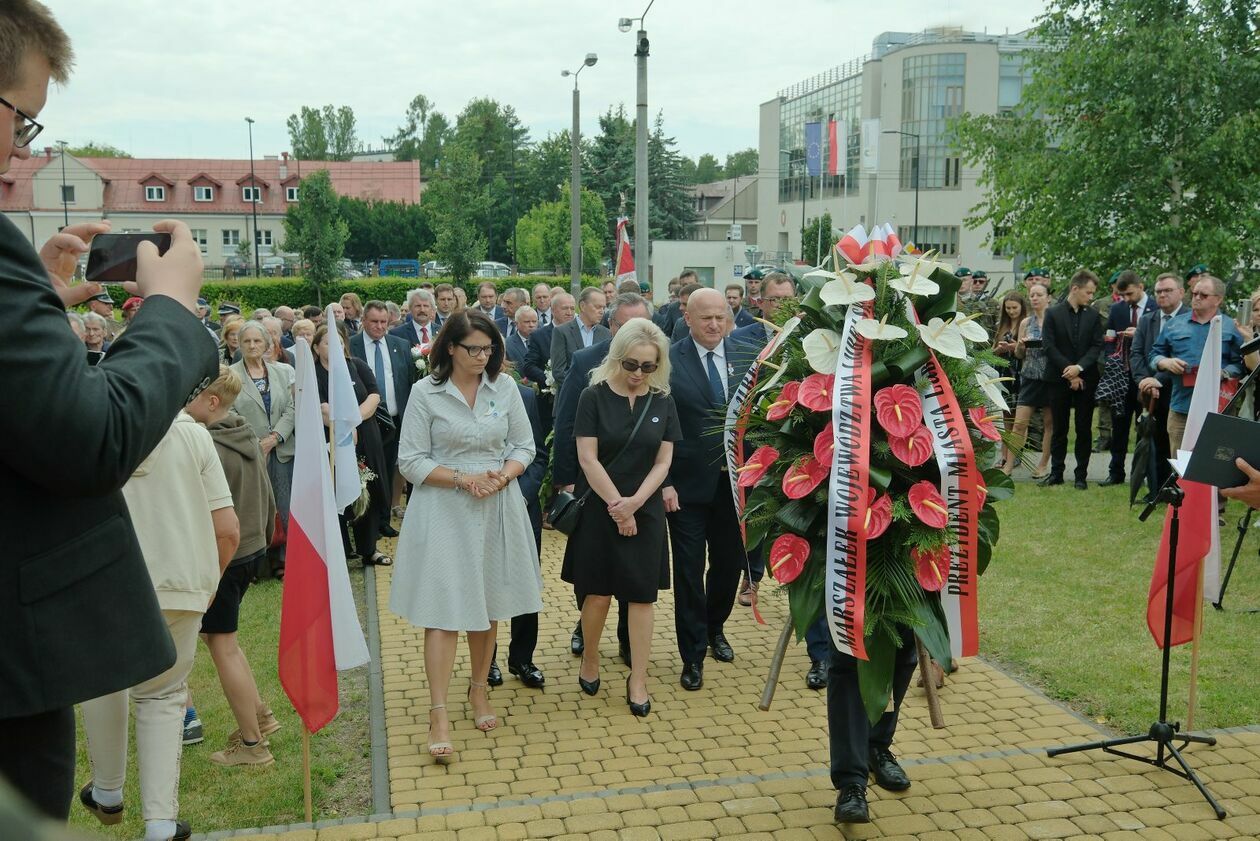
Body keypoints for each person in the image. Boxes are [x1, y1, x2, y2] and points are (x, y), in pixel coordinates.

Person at [0, 5, 221, 819]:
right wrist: (169, 313)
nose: (21, 150)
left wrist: (35, 296)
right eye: (22, 120)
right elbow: (92, 439)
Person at [79, 406, 239, 841]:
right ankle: (161, 824)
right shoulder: (194, 433)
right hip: (180, 584)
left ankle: (109, 789)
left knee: (105, 682)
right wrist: (207, 583)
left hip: (107, 581)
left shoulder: (92, 424)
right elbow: (227, 529)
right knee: (164, 697)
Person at [389, 311, 543, 761]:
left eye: (488, 349)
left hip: (498, 503)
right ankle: (438, 713)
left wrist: (503, 476)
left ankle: (479, 692)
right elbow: (411, 461)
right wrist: (461, 480)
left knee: (489, 602)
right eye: (472, 349)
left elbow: (524, 446)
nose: (481, 357)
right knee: (443, 613)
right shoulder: (425, 393)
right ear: (450, 348)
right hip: (444, 510)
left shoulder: (506, 389)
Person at [564, 318, 679, 716]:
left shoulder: (663, 399)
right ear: (617, 358)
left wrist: (635, 504)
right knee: (598, 592)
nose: (638, 374)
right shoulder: (592, 397)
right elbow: (587, 458)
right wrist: (618, 506)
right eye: (631, 365)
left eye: (648, 367)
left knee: (642, 596)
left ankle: (639, 678)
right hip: (601, 507)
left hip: (644, 510)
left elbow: (664, 461)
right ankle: (591, 657)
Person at [184, 366, 281, 768]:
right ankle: (261, 714)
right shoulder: (243, 432)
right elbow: (268, 496)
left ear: (212, 401)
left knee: (222, 645)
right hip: (250, 548)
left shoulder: (205, 444)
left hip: (225, 554)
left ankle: (252, 745)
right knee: (222, 641)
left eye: (189, 397)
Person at [552, 294, 651, 659]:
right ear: (611, 328)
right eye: (626, 326)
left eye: (642, 327)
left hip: (640, 487)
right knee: (591, 568)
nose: (635, 334)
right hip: (592, 483)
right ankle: (585, 626)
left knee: (633, 569)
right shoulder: (585, 362)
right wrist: (563, 479)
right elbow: (565, 422)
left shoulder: (654, 366)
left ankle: (629, 638)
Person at [666, 288, 756, 690]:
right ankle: (693, 654)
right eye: (707, 318)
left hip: (734, 485)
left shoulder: (744, 356)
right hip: (685, 488)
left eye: (722, 316)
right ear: (688, 317)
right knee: (688, 571)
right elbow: (658, 424)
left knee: (729, 564)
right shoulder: (669, 360)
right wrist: (663, 481)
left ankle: (715, 626)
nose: (716, 325)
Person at [313, 323, 392, 567]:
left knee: (366, 489)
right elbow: (322, 407)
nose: (334, 346)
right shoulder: (314, 373)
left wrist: (355, 417)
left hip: (366, 436)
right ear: (316, 347)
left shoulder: (356, 365)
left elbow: (374, 394)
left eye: (338, 342)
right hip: (332, 441)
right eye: (328, 342)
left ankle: (369, 549)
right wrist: (345, 426)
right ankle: (341, 551)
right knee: (337, 494)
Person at [488, 383, 550, 690]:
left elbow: (538, 453)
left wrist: (522, 496)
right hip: (481, 503)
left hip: (522, 503)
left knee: (525, 581)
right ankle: (486, 659)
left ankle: (523, 658)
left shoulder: (524, 395)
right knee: (486, 582)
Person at [829, 624, 916, 824]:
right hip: (847, 594)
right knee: (848, 657)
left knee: (902, 652)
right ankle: (850, 782)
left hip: (909, 594)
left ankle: (876, 745)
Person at [1149, 274, 1247, 453]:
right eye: (1194, 294)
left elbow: (1241, 364)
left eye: (1203, 295)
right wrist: (1165, 362)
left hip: (1219, 409)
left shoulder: (1231, 326)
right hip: (1182, 408)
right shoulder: (1174, 324)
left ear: (1218, 299)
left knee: (1215, 467)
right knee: (1181, 467)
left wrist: (1223, 373)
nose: (1196, 298)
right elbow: (1154, 354)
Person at [229, 321, 295, 579]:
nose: (252, 345)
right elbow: (229, 411)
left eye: (257, 341)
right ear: (240, 345)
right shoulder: (231, 374)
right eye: (247, 341)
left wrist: (275, 437)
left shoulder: (281, 372)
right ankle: (255, 564)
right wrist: (257, 442)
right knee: (253, 507)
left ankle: (282, 561)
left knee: (283, 504)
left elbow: (292, 407)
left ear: (267, 344)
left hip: (281, 449)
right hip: (249, 451)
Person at [350, 300, 414, 539]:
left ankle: (384, 520)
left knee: (389, 469)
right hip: (365, 420)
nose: (379, 327)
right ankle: (367, 521)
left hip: (395, 419)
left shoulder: (400, 345)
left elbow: (406, 381)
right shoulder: (352, 345)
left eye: (383, 322)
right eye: (374, 322)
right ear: (364, 321)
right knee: (368, 471)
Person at [1040, 270, 1105, 489]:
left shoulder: (1093, 316)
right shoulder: (1053, 314)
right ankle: (1056, 472)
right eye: (1088, 292)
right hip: (1058, 378)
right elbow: (1048, 345)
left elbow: (1097, 346)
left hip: (1086, 378)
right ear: (1075, 289)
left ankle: (1081, 475)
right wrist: (1068, 369)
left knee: (1084, 428)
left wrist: (1079, 368)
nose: (1090, 296)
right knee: (1059, 428)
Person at [1129, 273, 1186, 498]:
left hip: (1179, 392)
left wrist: (1157, 380)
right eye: (1158, 291)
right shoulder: (1147, 319)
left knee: (1177, 445)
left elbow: (1183, 357)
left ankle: (1180, 487)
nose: (1162, 295)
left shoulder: (1190, 319)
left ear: (1181, 292)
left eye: (1167, 290)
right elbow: (1136, 354)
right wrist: (1144, 380)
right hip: (1149, 394)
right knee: (1155, 442)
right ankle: (1157, 489)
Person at [1099, 272, 1157, 486]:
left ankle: (1143, 474)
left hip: (1147, 376)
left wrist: (1140, 333)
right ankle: (1115, 472)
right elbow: (1109, 338)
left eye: (1129, 294)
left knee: (1146, 428)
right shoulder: (1117, 309)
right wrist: (1111, 359)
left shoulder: (1155, 308)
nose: (1126, 299)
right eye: (1121, 295)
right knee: (1119, 426)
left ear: (1141, 286)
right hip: (1121, 377)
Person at [1005, 282, 1054, 477]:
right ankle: (1008, 464)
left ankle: (1043, 464)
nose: (1034, 298)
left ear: (1048, 298)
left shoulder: (1055, 321)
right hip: (1029, 377)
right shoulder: (1026, 323)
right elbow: (1018, 354)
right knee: (1018, 424)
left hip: (1050, 378)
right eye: (1032, 295)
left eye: (1039, 295)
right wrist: (1021, 346)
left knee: (1049, 424)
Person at [993, 291, 1028, 465]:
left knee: (1019, 418)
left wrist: (1014, 346)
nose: (1011, 311)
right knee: (1006, 416)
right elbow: (992, 351)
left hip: (1020, 373)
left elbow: (1030, 350)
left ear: (1022, 307)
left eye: (1014, 308)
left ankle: (1017, 453)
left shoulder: (1027, 324)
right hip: (1004, 374)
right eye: (1008, 308)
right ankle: (1005, 455)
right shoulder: (1002, 325)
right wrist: (999, 350)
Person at [551, 286, 609, 390]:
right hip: (570, 397)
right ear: (582, 306)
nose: (602, 311)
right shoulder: (562, 331)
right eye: (597, 307)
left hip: (598, 397)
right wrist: (583, 390)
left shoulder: (606, 333)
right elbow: (558, 372)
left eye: (603, 308)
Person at [506, 305, 536, 370]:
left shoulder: (544, 341)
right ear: (516, 324)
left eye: (534, 321)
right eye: (527, 322)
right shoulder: (507, 344)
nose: (531, 325)